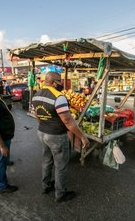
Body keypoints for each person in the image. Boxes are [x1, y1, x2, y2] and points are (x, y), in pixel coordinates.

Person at [32, 72, 90, 203]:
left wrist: (44, 124)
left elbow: (36, 114)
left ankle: (45, 186)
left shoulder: (37, 94)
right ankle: (60, 194)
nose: (62, 84)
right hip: (56, 135)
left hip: (42, 132)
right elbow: (68, 121)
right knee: (61, 165)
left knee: (47, 160)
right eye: (59, 81)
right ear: (53, 82)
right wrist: (82, 137)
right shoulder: (59, 97)